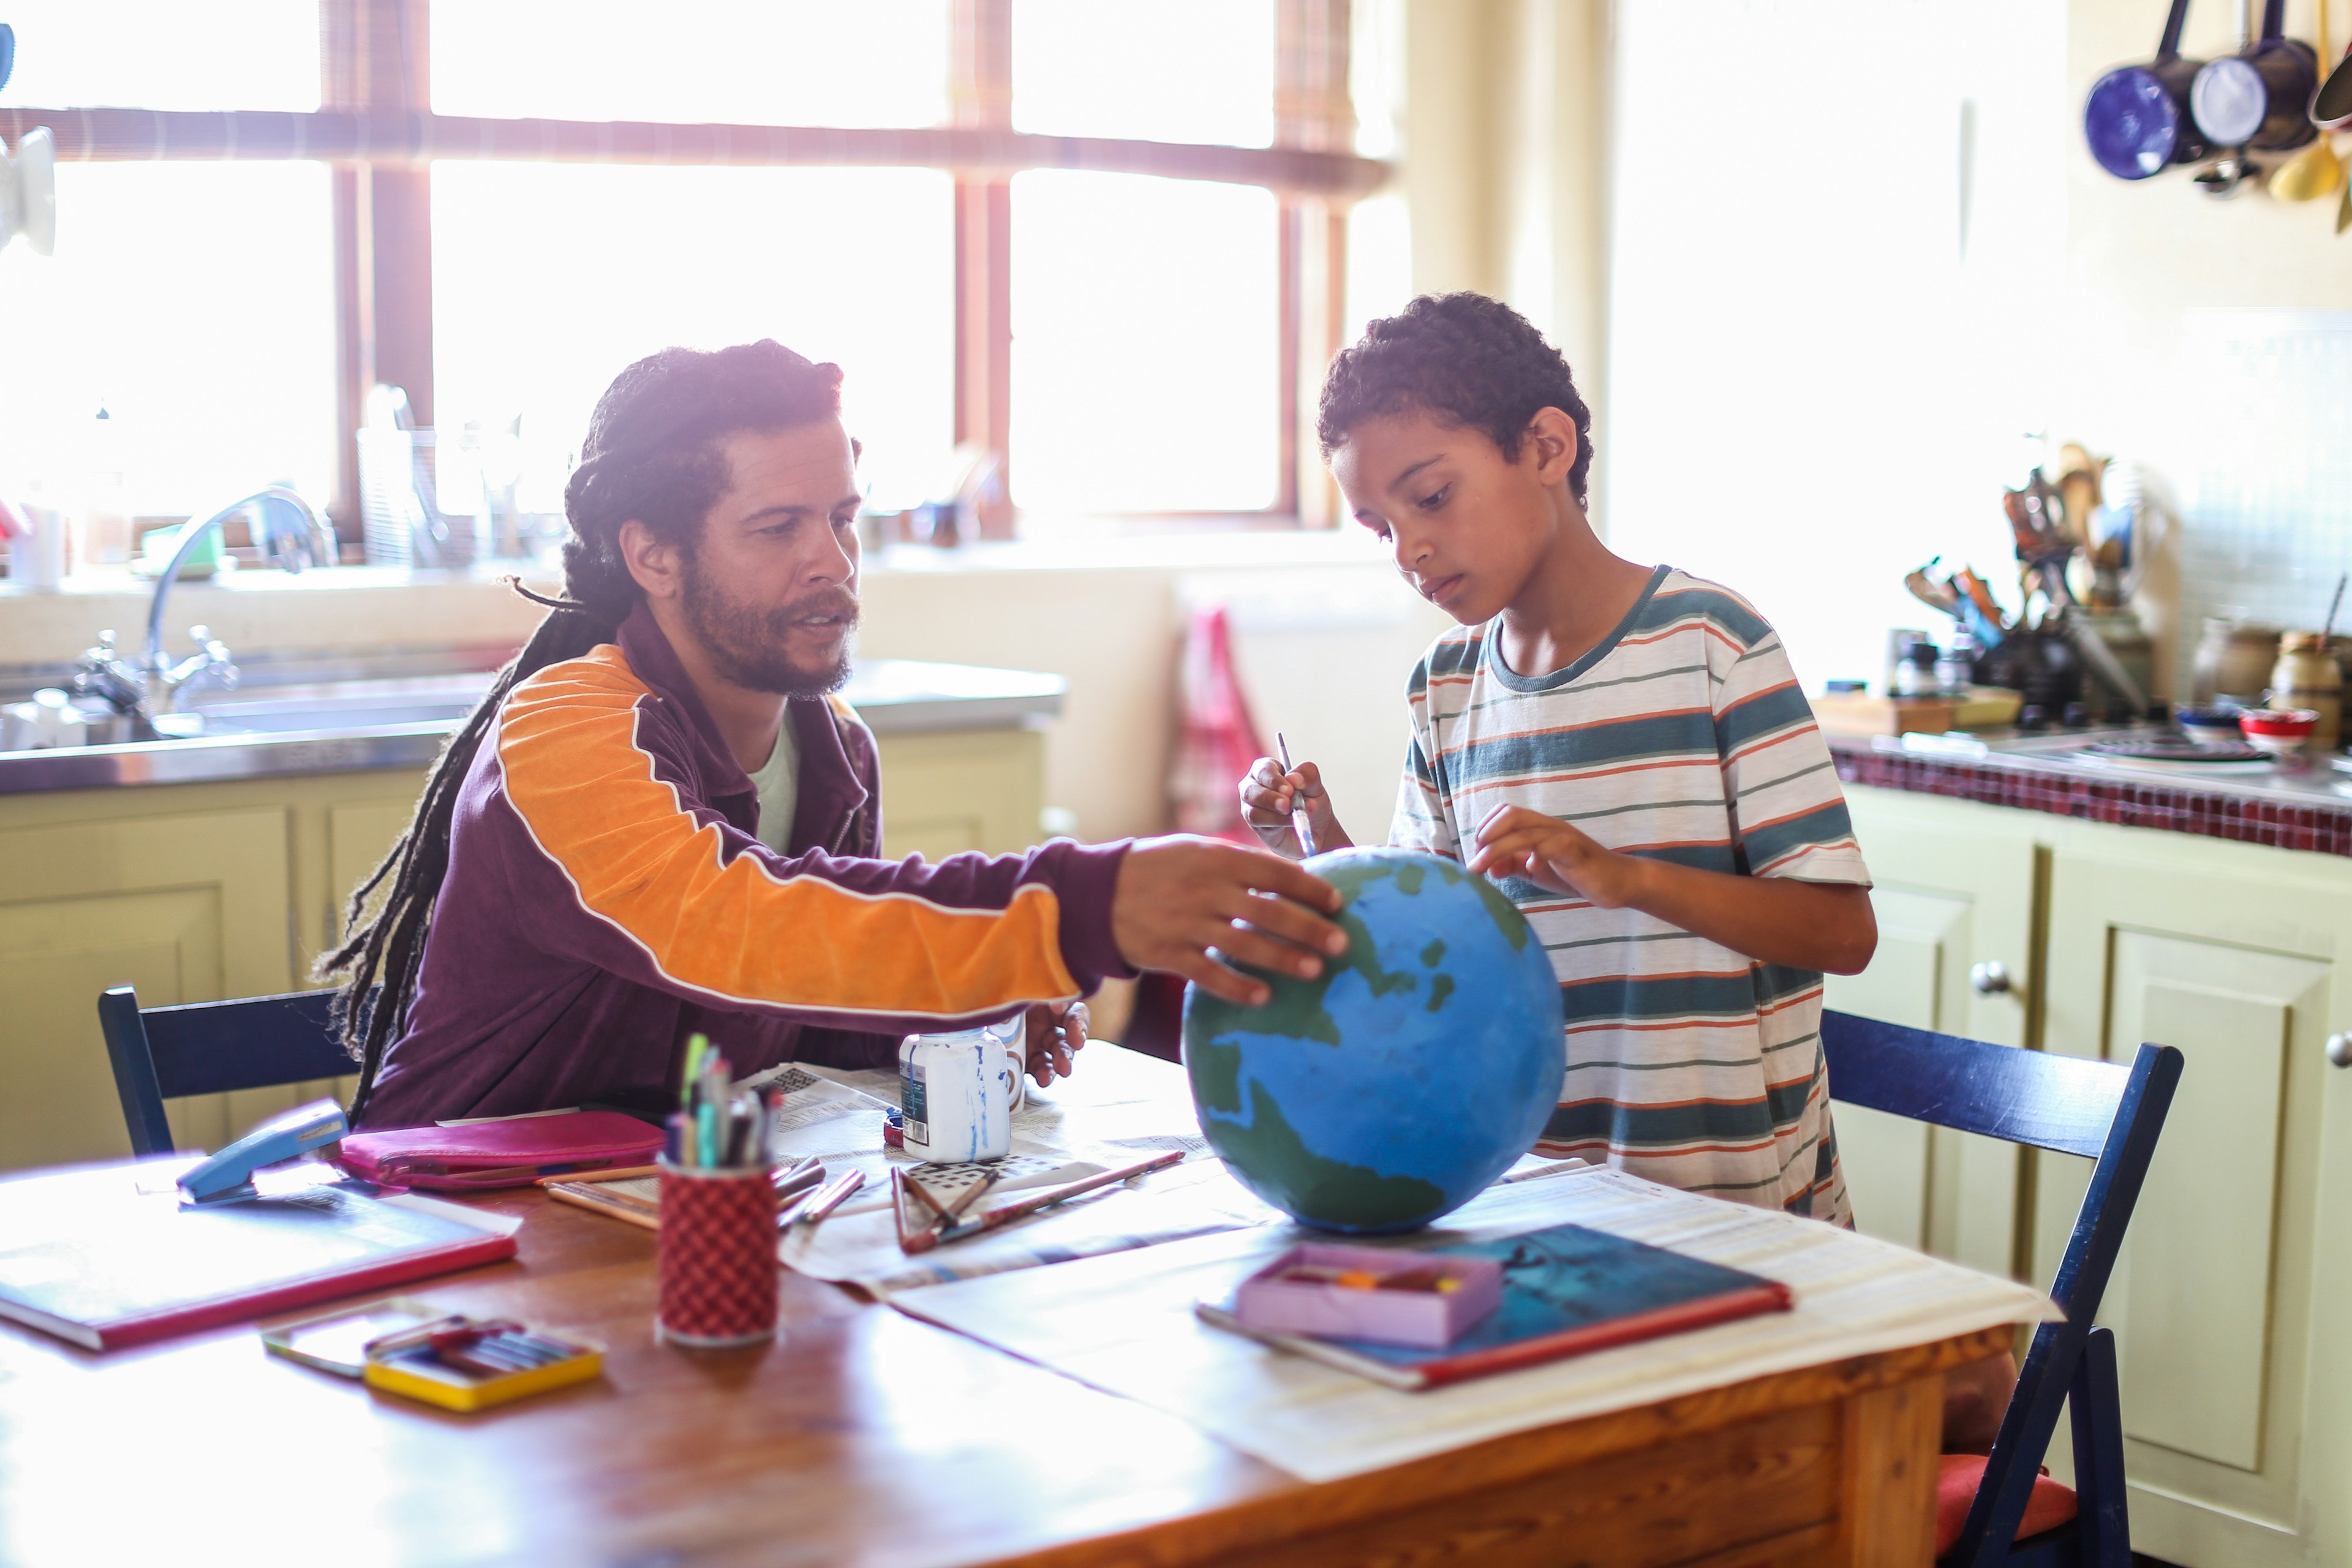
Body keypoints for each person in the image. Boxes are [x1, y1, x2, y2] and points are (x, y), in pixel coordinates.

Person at [1238, 293, 2010, 1451]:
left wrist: (1627, 876)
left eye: (1431, 497)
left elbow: (1838, 932)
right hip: (1538, 1217)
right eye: (1378, 526)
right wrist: (1322, 846)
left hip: (1732, 1217)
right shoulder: (1444, 688)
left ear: (1546, 448)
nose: (1411, 551)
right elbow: (1429, 951)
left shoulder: (1712, 645)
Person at [323, 339, 1344, 1130]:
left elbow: (804, 1016)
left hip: (673, 1223)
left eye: (843, 518)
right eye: (778, 529)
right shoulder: (563, 731)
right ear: (654, 556)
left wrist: (968, 1008)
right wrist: (1090, 908)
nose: (833, 563)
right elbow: (733, 928)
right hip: (463, 1238)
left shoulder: (838, 751)